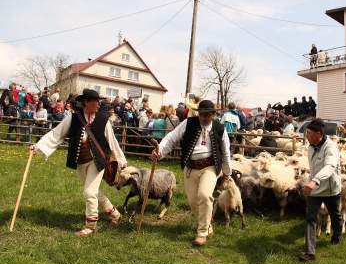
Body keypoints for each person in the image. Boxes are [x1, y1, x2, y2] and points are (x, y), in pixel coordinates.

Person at [30, 89, 127, 236]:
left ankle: (90, 225)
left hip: (98, 161)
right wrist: (38, 146)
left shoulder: (103, 120)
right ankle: (115, 214)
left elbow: (113, 143)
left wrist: (122, 163)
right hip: (80, 161)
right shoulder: (73, 118)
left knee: (89, 192)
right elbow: (57, 134)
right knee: (93, 191)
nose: (98, 104)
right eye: (95, 101)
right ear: (86, 102)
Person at [151, 100, 232, 247]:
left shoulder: (220, 128)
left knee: (205, 195)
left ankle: (202, 233)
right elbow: (171, 138)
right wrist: (160, 151)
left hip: (210, 168)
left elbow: (226, 151)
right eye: (202, 114)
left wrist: (227, 172)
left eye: (207, 115)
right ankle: (208, 225)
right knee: (193, 202)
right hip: (190, 168)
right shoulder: (189, 123)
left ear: (213, 115)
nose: (204, 117)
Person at [300, 118, 343, 262]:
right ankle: (310, 252)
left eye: (309, 133)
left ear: (319, 133)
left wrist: (315, 181)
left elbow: (330, 166)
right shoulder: (311, 146)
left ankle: (337, 236)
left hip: (330, 189)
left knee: (335, 214)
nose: (307, 136)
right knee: (310, 218)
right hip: (315, 189)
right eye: (306, 133)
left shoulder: (330, 147)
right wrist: (311, 182)